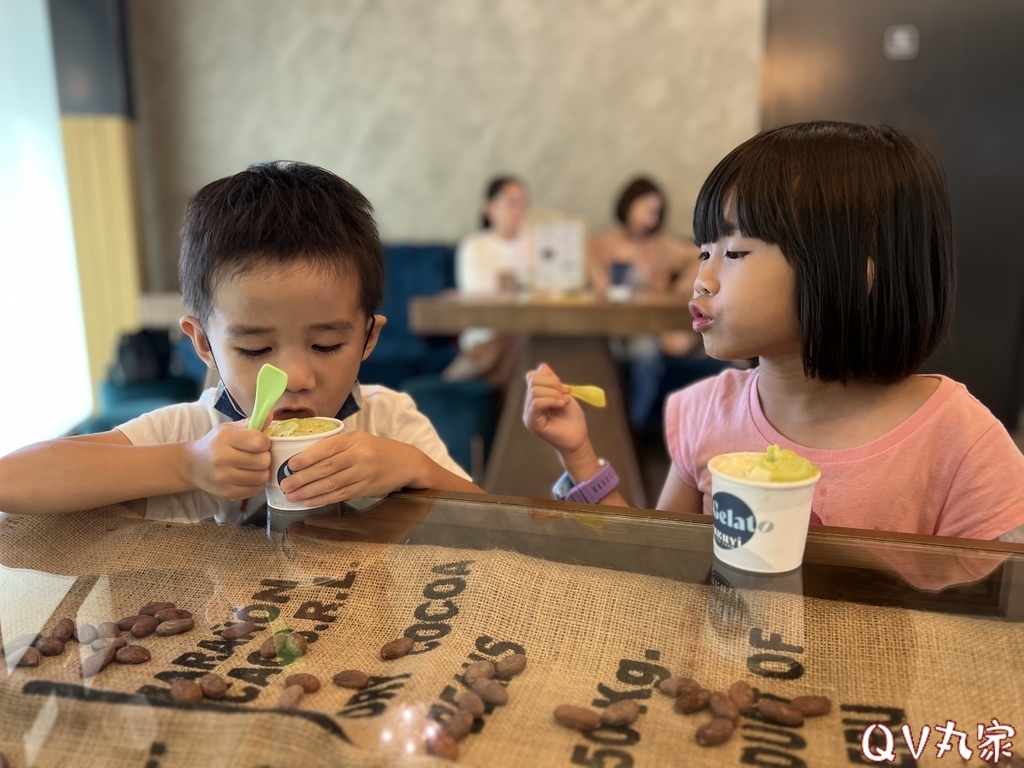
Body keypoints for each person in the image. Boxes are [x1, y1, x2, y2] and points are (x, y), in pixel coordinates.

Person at [524, 121, 1024, 541]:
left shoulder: (960, 443)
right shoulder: (705, 413)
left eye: (735, 253)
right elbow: (658, 567)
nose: (703, 278)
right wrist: (580, 454)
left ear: (855, 274)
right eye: (703, 251)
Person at [0, 161, 481, 522]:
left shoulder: (388, 422)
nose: (295, 377)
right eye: (255, 349)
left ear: (369, 338)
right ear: (205, 344)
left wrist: (413, 469)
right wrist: (186, 465)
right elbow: (12, 480)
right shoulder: (191, 432)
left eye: (327, 344)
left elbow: (495, 527)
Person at [588, 176, 724, 428]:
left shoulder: (662, 245)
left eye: (656, 212)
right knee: (607, 353)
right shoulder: (602, 245)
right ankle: (611, 427)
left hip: (650, 329)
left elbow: (701, 255)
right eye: (646, 209)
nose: (651, 218)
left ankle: (632, 429)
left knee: (647, 353)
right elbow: (599, 287)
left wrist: (677, 289)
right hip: (612, 325)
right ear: (628, 205)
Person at [442, 176, 531, 389]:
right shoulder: (475, 246)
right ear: (490, 208)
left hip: (529, 331)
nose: (520, 209)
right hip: (487, 333)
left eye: (524, 202)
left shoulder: (537, 243)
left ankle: (460, 374)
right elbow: (479, 296)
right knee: (520, 338)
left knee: (526, 337)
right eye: (512, 202)